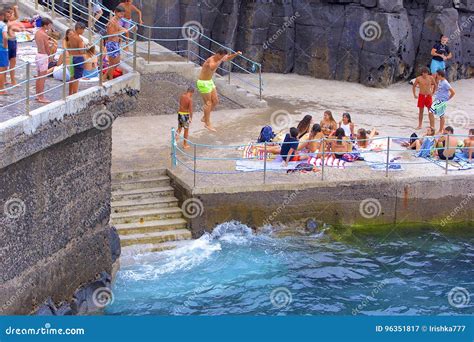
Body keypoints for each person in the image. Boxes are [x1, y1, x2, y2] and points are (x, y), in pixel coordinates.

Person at [197, 48, 242, 131]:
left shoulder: (219, 58)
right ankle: (207, 123)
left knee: (216, 101)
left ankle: (204, 117)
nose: (222, 58)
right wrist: (221, 59)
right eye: (221, 56)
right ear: (218, 54)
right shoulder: (211, 59)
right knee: (208, 103)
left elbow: (228, 58)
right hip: (203, 83)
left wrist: (236, 54)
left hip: (209, 81)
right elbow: (212, 67)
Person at [104, 6, 128, 81]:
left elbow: (119, 28)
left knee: (116, 63)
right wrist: (121, 31)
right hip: (111, 44)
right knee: (113, 63)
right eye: (120, 14)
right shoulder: (112, 22)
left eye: (123, 14)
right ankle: (106, 78)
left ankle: (106, 77)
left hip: (116, 43)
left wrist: (123, 29)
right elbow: (110, 35)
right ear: (115, 12)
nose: (122, 16)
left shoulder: (117, 21)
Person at [34, 17, 53, 103]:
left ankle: (38, 95)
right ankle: (41, 97)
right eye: (49, 25)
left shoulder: (37, 32)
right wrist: (50, 56)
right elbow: (46, 47)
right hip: (43, 56)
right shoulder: (44, 35)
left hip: (38, 55)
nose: (50, 27)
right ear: (45, 25)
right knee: (42, 78)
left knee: (39, 77)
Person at [67, 22, 86, 95]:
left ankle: (70, 93)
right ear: (78, 29)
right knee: (77, 77)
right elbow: (81, 51)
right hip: (78, 57)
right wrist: (86, 49)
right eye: (83, 30)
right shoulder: (79, 39)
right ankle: (75, 93)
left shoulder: (71, 36)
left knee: (72, 76)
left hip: (72, 57)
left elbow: (69, 46)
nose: (83, 31)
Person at [5, 5, 19, 85]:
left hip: (13, 41)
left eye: (11, 13)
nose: (11, 15)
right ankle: (8, 80)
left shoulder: (8, 19)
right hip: (7, 42)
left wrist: (15, 9)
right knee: (6, 62)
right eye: (9, 13)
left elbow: (16, 16)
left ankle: (12, 80)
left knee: (12, 61)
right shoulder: (3, 22)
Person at [0, 8, 8, 95]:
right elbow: (5, 37)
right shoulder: (3, 25)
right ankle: (1, 89)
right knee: (2, 69)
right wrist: (5, 45)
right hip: (2, 49)